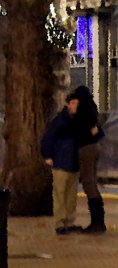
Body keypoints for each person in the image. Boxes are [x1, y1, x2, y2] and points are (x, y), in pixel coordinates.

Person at [41, 92, 80, 235]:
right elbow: (48, 137)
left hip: (72, 162)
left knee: (70, 195)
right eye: (74, 103)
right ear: (67, 104)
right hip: (61, 161)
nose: (76, 107)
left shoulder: (74, 121)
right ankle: (60, 222)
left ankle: (68, 221)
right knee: (60, 193)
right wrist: (47, 155)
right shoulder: (60, 121)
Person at [69, 85, 106, 234]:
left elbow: (78, 131)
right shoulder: (92, 111)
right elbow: (97, 131)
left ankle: (97, 222)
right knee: (92, 183)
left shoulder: (82, 113)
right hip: (94, 147)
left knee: (88, 183)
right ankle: (98, 220)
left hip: (86, 149)